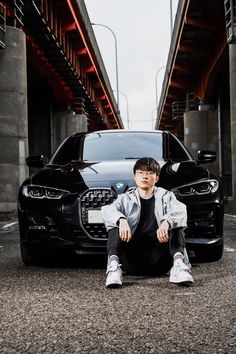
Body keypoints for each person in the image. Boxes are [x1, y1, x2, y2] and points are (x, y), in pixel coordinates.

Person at [101, 157, 193, 288]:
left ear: (156, 179)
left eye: (150, 173)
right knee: (114, 223)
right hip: (130, 261)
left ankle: (179, 266)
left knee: (175, 223)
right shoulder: (125, 198)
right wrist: (121, 220)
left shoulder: (166, 196)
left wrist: (166, 222)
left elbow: (181, 210)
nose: (145, 176)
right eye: (141, 173)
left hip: (161, 261)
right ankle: (114, 268)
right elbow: (106, 211)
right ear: (135, 177)